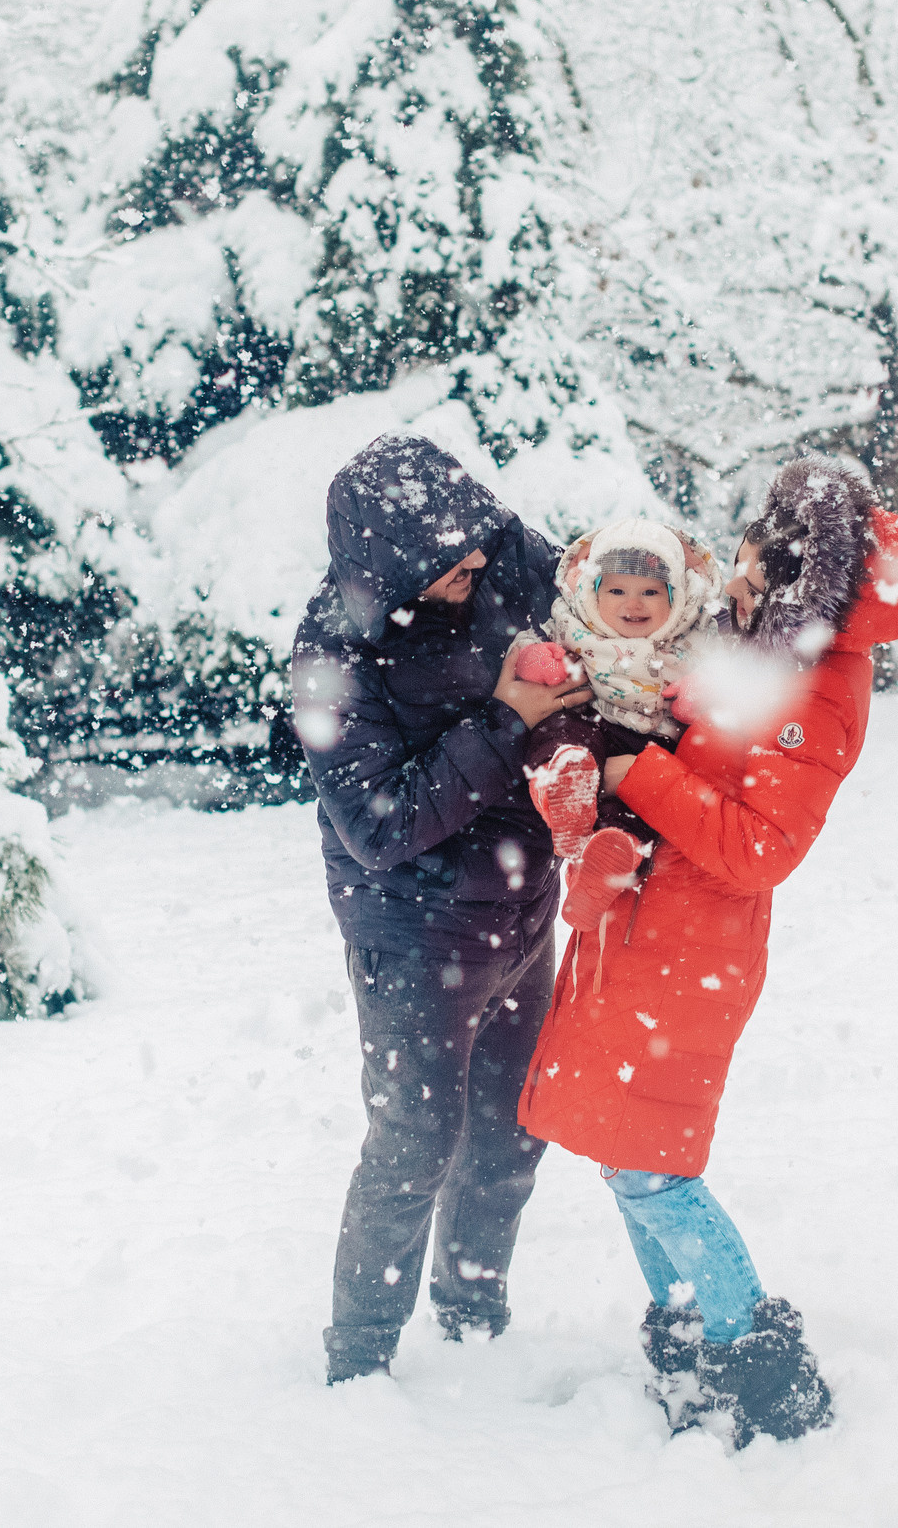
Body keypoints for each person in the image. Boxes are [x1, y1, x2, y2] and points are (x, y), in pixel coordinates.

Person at [516, 454, 898, 1446]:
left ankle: (758, 1366)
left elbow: (760, 847)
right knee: (625, 1155)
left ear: (799, 576)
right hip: (639, 929)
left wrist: (637, 769)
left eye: (755, 555)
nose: (738, 571)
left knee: (649, 1168)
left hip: (686, 949)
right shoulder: (758, 649)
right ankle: (688, 1339)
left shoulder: (820, 682)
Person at [289, 432, 595, 1386]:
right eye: (448, 558)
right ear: (390, 565)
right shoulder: (330, 656)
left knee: (512, 1127)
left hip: (522, 905)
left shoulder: (498, 551)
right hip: (412, 930)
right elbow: (382, 822)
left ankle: (472, 1317)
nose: (476, 561)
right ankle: (360, 1359)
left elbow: (590, 599)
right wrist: (510, 720)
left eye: (477, 540)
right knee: (414, 1143)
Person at [511, 518, 725, 860]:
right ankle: (562, 787)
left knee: (641, 812)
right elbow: (532, 643)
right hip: (590, 722)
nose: (634, 604)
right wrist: (535, 659)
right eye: (617, 591)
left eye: (650, 592)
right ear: (592, 592)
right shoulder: (576, 624)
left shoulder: (693, 635)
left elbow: (722, 672)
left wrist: (702, 690)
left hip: (656, 747)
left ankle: (610, 856)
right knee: (561, 734)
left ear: (677, 596)